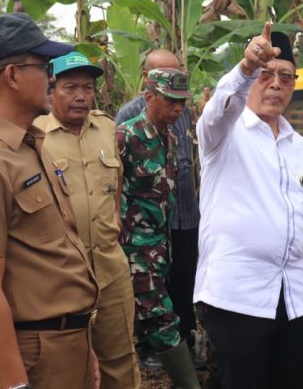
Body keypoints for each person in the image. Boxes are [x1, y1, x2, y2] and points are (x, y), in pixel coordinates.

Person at [0, 13, 100, 389]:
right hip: (30, 356)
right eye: (44, 67)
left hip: (65, 343)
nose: (52, 77)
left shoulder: (27, 144)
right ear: (11, 75)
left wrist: (82, 345)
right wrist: (15, 385)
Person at [194, 24, 303, 389]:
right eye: (266, 75)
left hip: (293, 297)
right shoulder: (223, 134)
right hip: (239, 298)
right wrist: (247, 66)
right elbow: (218, 108)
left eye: (286, 77)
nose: (276, 85)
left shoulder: (299, 146)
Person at [34, 52, 141, 389]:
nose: (80, 95)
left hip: (111, 271)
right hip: (61, 277)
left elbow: (117, 182)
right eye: (70, 87)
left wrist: (113, 218)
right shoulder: (34, 135)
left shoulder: (107, 128)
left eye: (87, 87)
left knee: (121, 362)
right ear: (52, 90)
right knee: (66, 368)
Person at [116, 68, 200, 388]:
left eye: (181, 102)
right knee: (163, 320)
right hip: (133, 250)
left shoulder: (171, 137)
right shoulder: (125, 137)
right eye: (170, 101)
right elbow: (110, 192)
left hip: (159, 247)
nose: (178, 109)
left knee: (155, 317)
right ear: (149, 98)